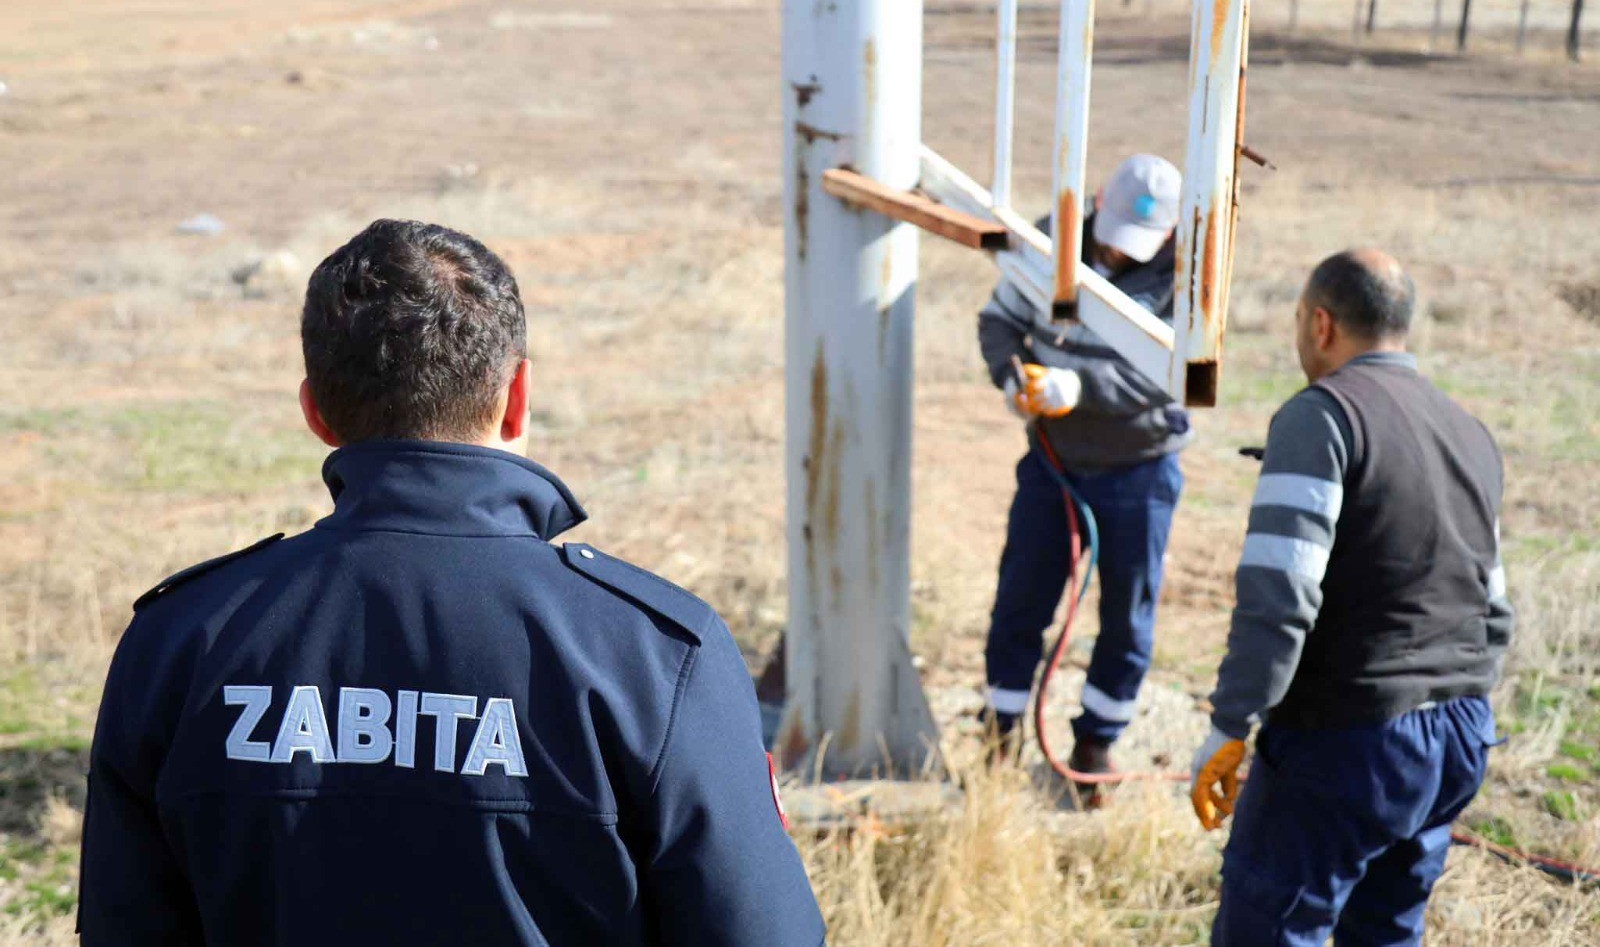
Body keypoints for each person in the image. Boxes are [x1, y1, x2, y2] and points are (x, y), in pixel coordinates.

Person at [79, 220, 826, 946]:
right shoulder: (651, 653)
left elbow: (126, 924)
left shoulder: (179, 641)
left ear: (316, 412)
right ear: (518, 396)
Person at [1190, 249, 1512, 946]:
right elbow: (1495, 607)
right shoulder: (1471, 433)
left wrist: (1229, 725)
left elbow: (1280, 598)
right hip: (1457, 735)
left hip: (1349, 738)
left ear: (1321, 323)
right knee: (1387, 932)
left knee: (1272, 929)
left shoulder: (1322, 417)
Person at [977, 154, 1192, 784]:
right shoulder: (1049, 245)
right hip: (1053, 462)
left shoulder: (1190, 275)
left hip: (1139, 469)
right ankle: (999, 734)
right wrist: (1014, 373)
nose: (1120, 255)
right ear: (1098, 202)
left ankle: (1095, 748)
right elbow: (998, 322)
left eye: (1138, 247)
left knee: (1128, 613)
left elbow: (1173, 370)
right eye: (1113, 237)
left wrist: (1082, 386)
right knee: (1020, 598)